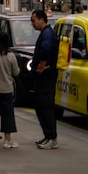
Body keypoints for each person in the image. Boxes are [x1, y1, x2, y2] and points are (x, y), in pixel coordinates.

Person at [31, 9, 59, 149]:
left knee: (45, 106)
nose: (32, 24)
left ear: (42, 19)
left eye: (33, 20)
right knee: (41, 106)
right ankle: (48, 136)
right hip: (45, 76)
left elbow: (46, 49)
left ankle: (51, 137)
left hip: (46, 77)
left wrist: (41, 65)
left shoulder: (47, 34)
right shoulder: (46, 33)